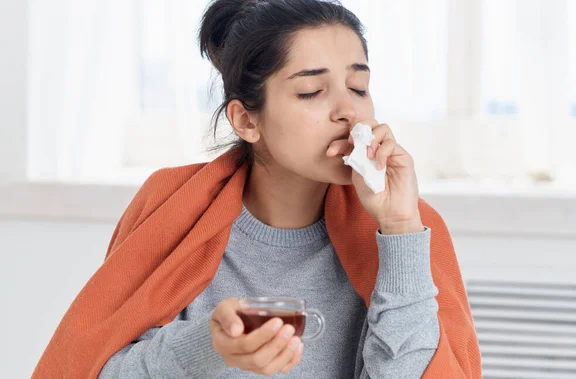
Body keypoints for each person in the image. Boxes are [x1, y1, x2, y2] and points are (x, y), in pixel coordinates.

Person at [32, 0, 481, 378]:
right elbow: (96, 369)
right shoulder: (170, 205)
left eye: (358, 86)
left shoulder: (407, 228)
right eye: (311, 92)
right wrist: (208, 346)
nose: (349, 111)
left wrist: (400, 227)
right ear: (246, 120)